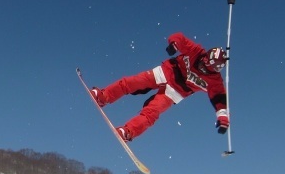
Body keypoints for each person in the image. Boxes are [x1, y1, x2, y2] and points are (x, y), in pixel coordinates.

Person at [90, 31, 229, 141]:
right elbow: (180, 37)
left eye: (205, 67)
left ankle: (128, 132)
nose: (201, 66)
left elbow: (220, 100)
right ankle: (104, 97)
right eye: (202, 62)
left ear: (213, 70)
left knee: (152, 112)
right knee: (132, 82)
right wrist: (174, 44)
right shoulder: (197, 52)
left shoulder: (214, 81)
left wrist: (223, 119)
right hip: (166, 72)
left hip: (175, 92)